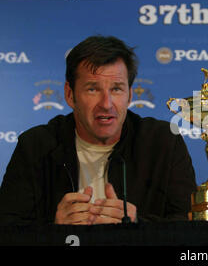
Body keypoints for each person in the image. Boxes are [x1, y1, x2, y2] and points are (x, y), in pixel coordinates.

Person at [0, 36, 197, 225]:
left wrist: (137, 225)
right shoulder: (35, 146)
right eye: (93, 89)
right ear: (70, 95)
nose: (106, 104)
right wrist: (54, 227)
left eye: (116, 89)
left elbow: (192, 225)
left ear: (129, 96)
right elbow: (7, 229)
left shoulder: (163, 142)